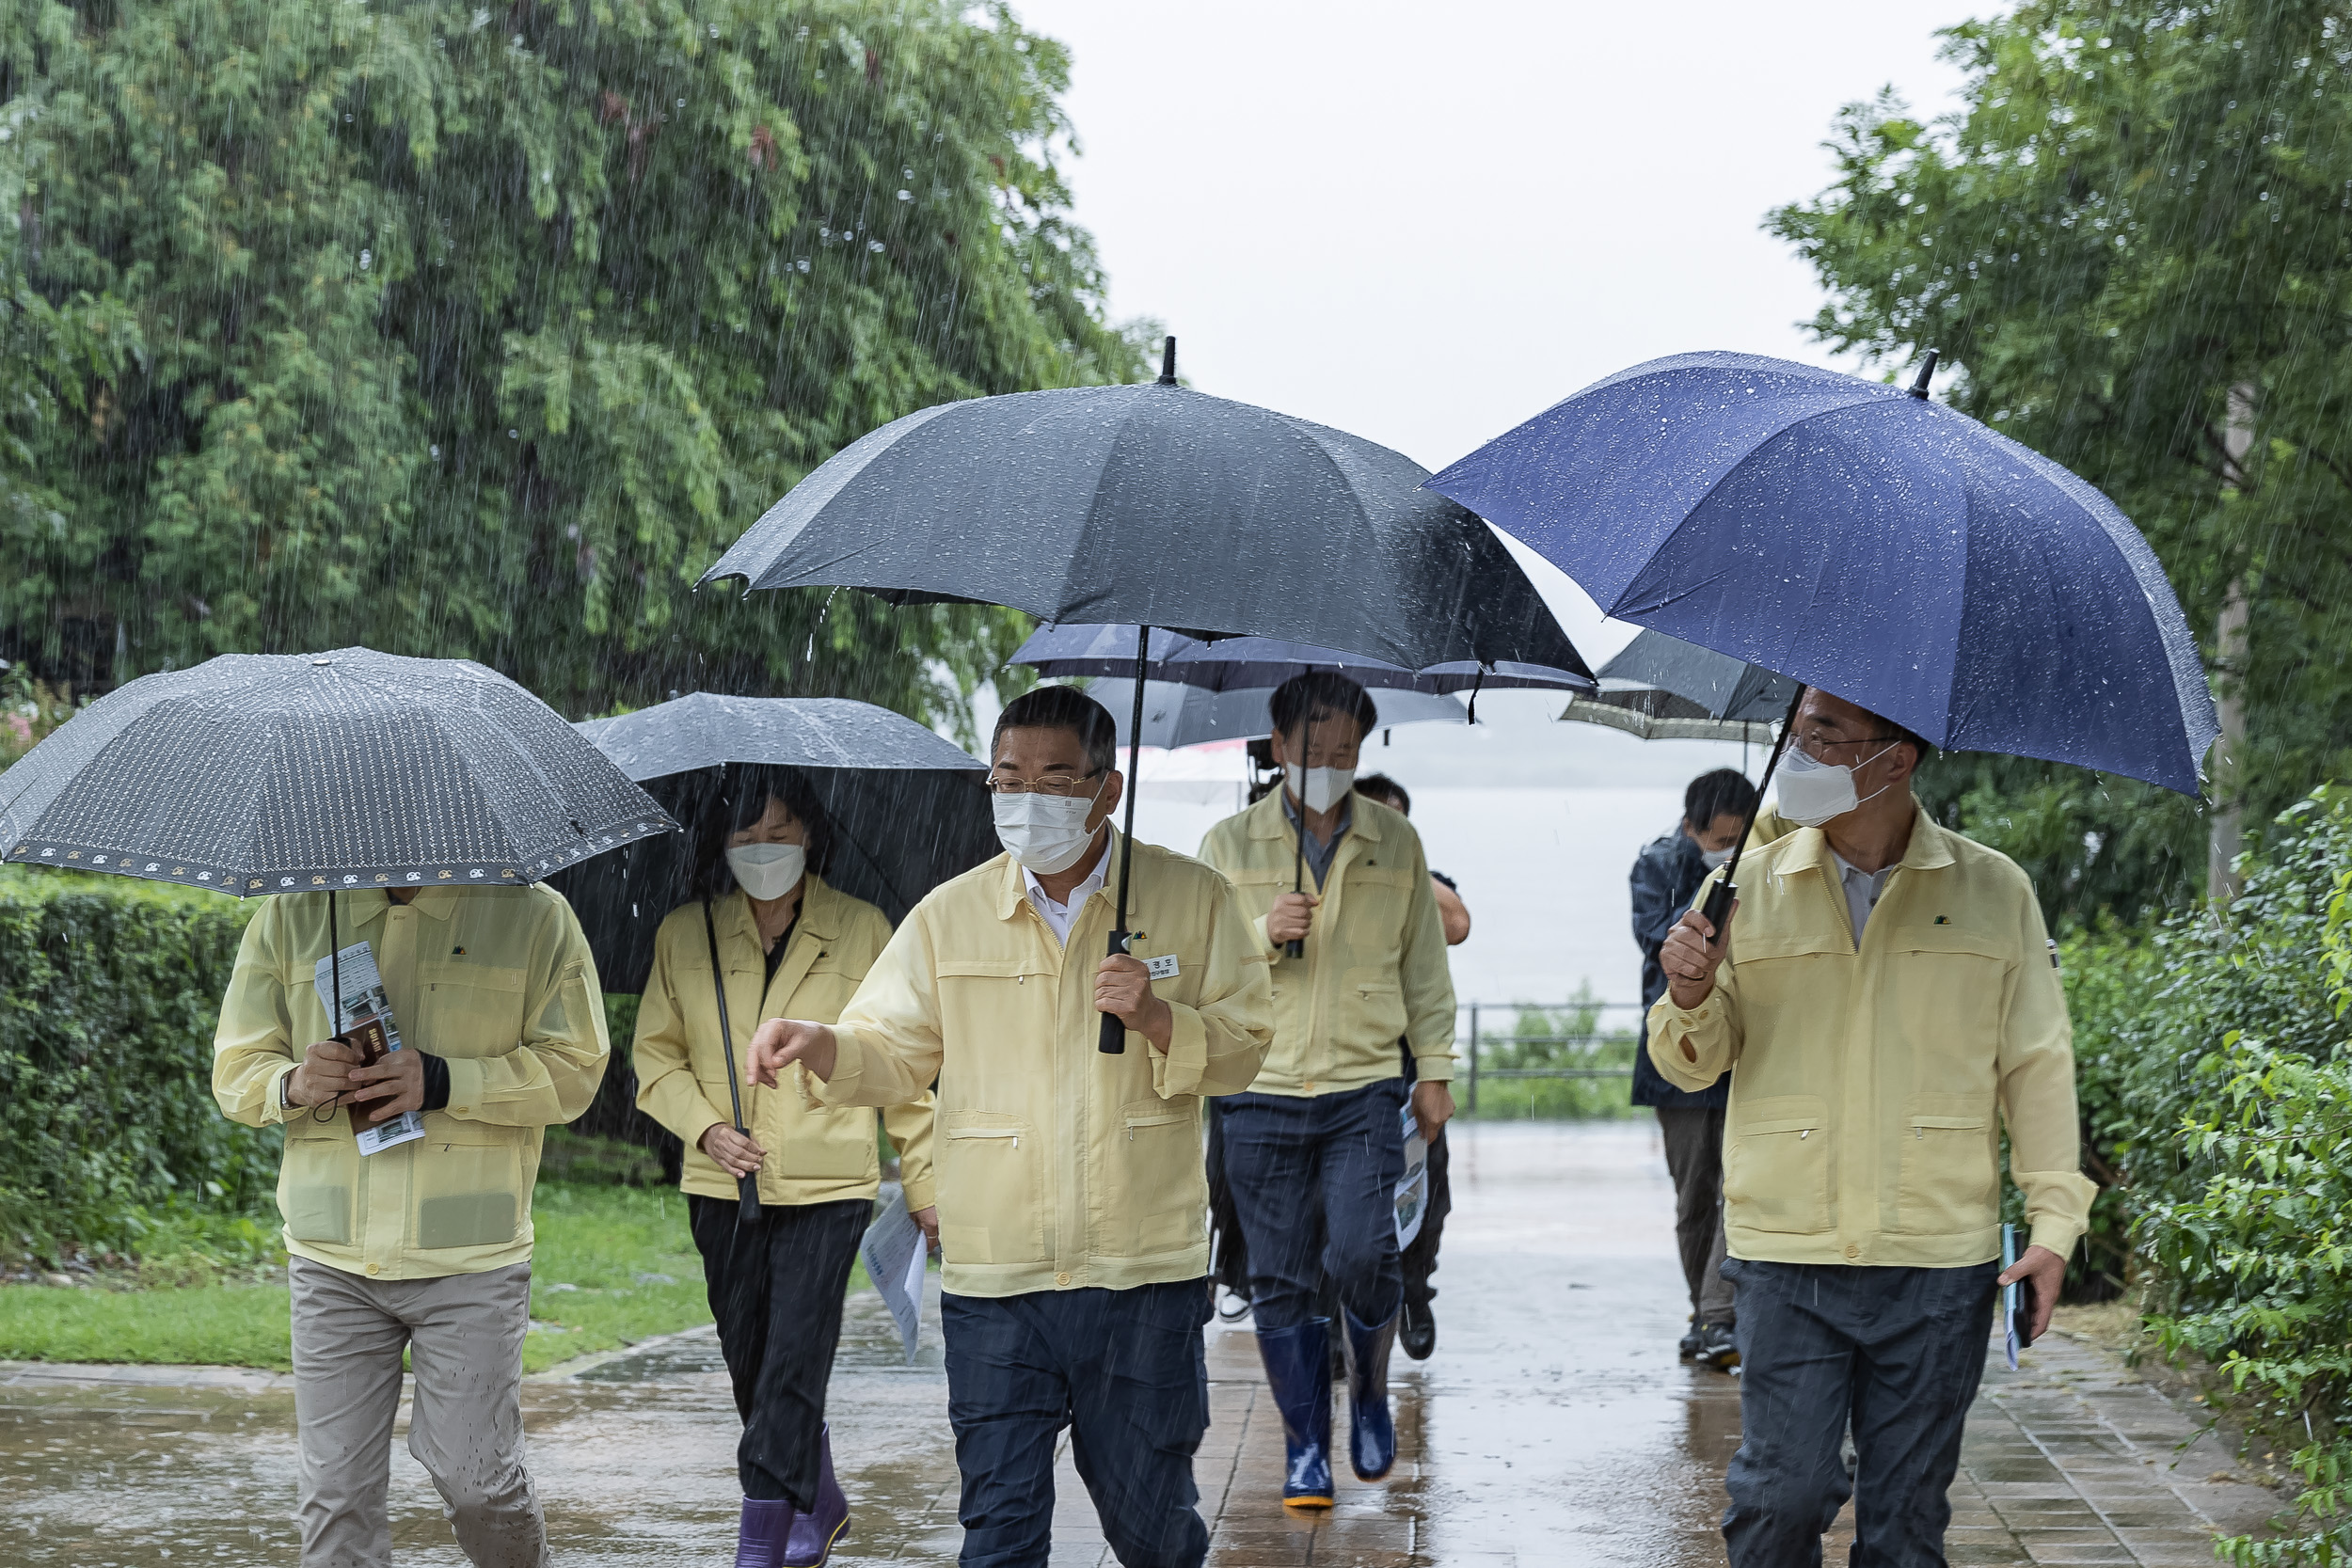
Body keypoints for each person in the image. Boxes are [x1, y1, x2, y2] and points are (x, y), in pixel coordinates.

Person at [743, 684, 1272, 1568]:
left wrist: (1161, 1018)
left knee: (1153, 1531)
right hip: (997, 1279)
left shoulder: (1193, 897)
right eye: (1008, 776)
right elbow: (891, 1047)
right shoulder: (951, 914)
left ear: (1109, 788)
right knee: (998, 1533)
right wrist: (824, 1044)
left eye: (1058, 778)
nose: (1029, 798)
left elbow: (1249, 1048)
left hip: (1141, 1278)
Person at [1649, 687, 2095, 1567]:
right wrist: (1690, 995)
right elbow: (1688, 1060)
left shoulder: (1994, 890)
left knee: (1904, 1526)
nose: (1796, 751)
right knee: (1782, 1499)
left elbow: (2036, 1064)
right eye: (1799, 728)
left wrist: (2054, 1226)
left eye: (1821, 734)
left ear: (1895, 757)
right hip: (1788, 1250)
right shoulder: (1742, 887)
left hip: (1936, 1261)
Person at [213, 881, 609, 1568]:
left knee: (477, 1482)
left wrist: (448, 1080)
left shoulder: (535, 914)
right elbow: (236, 1066)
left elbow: (575, 1070)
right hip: (332, 1255)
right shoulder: (293, 911)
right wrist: (293, 1083)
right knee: (336, 1497)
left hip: (470, 1258)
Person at [632, 765, 937, 1568]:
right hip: (719, 1188)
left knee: (794, 1362)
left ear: (812, 834)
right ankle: (820, 1499)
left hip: (829, 1186)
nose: (764, 848)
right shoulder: (684, 932)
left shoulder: (869, 928)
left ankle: (757, 1551)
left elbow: (900, 1065)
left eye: (781, 831)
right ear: (720, 844)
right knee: (753, 1368)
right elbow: (654, 1059)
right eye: (747, 834)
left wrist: (928, 1181)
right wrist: (705, 1129)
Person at [1197, 674, 1456, 1510]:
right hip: (1258, 1087)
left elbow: (1426, 964)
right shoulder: (1227, 844)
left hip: (1362, 1086)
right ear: (1279, 749)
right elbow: (1195, 962)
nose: (1329, 765)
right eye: (1314, 752)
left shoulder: (1396, 842)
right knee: (1279, 1276)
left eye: (1345, 753)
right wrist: (1258, 932)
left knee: (1363, 1254)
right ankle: (1305, 1444)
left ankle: (1370, 1390)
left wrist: (1438, 1071)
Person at [1629, 768, 1760, 1372]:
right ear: (1690, 828)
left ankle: (1718, 1314)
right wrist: (1715, 889)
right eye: (1719, 839)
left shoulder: (1763, 862)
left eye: (1740, 837)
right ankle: (1703, 1314)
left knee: (1739, 1186)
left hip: (1740, 1048)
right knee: (1694, 1195)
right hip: (1674, 1052)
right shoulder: (1657, 864)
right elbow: (1659, 937)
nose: (1729, 849)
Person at [1350, 771, 1466, 1361]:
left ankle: (1415, 1292)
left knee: (1425, 1187)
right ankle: (1339, 1323)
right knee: (1340, 1198)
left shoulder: (1420, 879)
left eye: (1390, 818)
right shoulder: (1317, 877)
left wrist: (1403, 860)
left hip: (1409, 1064)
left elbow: (1458, 925)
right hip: (1343, 1065)